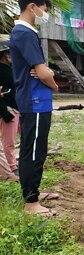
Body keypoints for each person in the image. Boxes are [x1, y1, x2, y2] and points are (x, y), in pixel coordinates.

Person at [10, 0, 60, 217]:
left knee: (35, 147)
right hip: (35, 100)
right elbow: (43, 73)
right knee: (33, 150)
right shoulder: (25, 33)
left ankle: (35, 192)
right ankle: (31, 202)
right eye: (45, 9)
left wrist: (46, 73)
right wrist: (54, 84)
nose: (45, 14)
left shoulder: (25, 32)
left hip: (36, 100)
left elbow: (42, 70)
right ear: (32, 7)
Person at [0, 38, 21, 178]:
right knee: (9, 142)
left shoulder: (9, 69)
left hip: (14, 107)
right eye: (8, 53)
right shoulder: (3, 70)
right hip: (8, 109)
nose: (9, 55)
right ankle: (12, 167)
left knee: (16, 138)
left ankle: (14, 164)